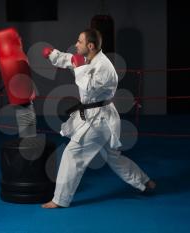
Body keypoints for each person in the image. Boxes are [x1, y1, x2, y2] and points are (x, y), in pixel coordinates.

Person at [41, 29, 156, 208]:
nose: (76, 44)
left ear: (90, 45)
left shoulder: (104, 67)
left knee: (73, 154)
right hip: (96, 115)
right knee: (113, 157)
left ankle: (59, 200)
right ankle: (145, 181)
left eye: (79, 42)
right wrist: (53, 55)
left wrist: (79, 67)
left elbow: (89, 88)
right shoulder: (89, 58)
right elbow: (69, 59)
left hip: (99, 119)